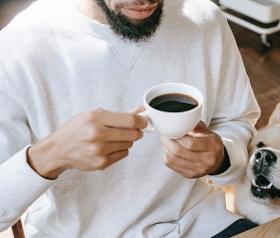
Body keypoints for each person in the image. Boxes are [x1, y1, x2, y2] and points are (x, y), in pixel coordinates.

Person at [0, 0, 260, 237]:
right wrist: (49, 157)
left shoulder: (204, 19)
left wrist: (220, 157)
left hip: (200, 224)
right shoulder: (19, 46)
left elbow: (238, 120)